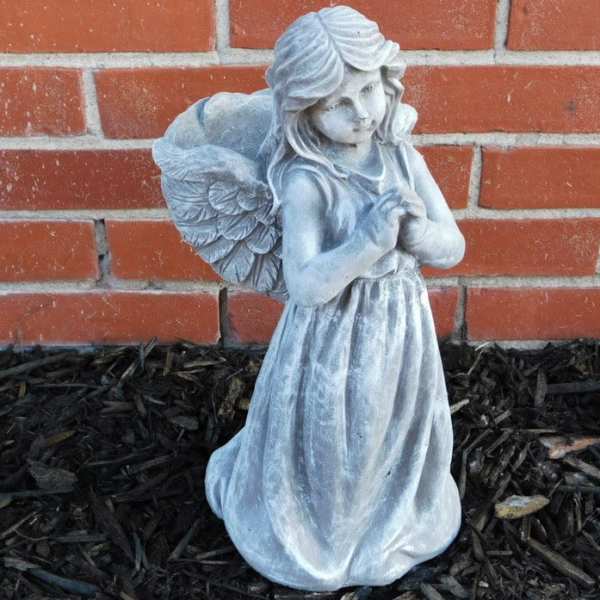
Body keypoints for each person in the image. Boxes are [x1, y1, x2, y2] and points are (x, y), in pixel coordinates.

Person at [205, 5, 464, 591]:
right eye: (336, 104)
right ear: (305, 112)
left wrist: (419, 235)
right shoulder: (307, 181)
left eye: (368, 90)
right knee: (343, 434)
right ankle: (332, 536)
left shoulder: (403, 156)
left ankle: (390, 518)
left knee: (396, 419)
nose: (361, 113)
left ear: (387, 81)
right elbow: (306, 285)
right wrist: (369, 241)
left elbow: (452, 247)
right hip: (334, 341)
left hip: (401, 328)